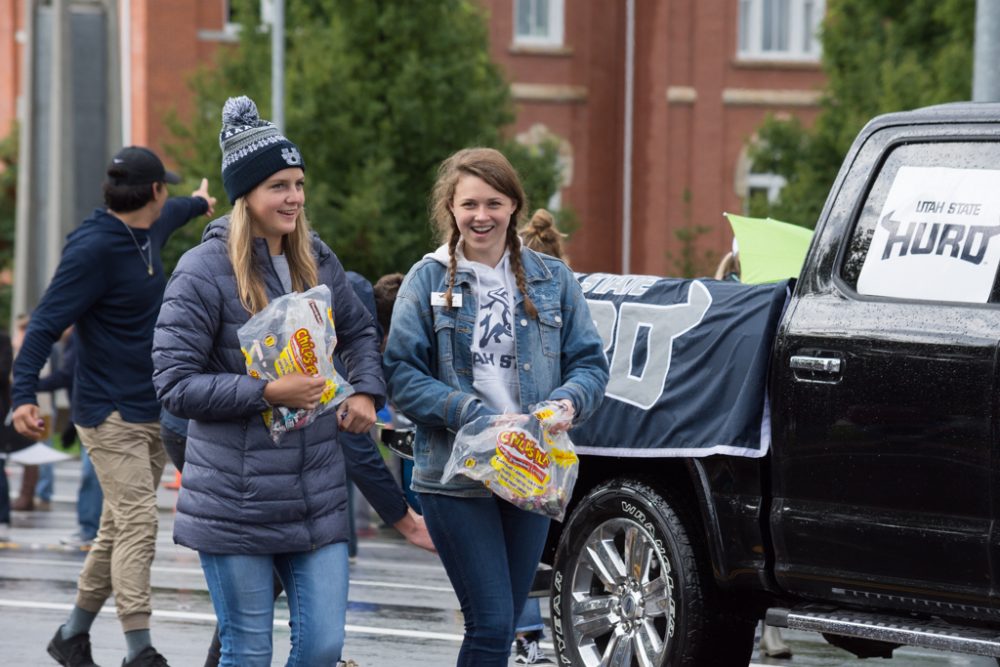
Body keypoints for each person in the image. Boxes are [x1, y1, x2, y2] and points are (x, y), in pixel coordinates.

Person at [152, 95, 424, 666]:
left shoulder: (316, 259)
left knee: (324, 645)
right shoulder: (201, 271)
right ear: (245, 194)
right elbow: (175, 385)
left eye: (298, 183)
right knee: (248, 652)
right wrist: (267, 393)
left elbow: (359, 332)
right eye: (278, 185)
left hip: (317, 495)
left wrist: (368, 391)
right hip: (234, 499)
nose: (294, 197)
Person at [382, 147, 610, 667]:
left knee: (504, 623)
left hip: (530, 469)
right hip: (453, 474)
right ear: (450, 208)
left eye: (494, 202)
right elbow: (401, 375)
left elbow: (591, 367)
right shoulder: (427, 279)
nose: (480, 216)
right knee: (488, 625)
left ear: (514, 207)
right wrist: (470, 412)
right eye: (469, 204)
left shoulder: (554, 279)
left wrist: (568, 402)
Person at [12, 145, 215, 666]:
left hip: (152, 407)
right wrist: (22, 396)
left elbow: (180, 211)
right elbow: (43, 324)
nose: (167, 195)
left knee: (116, 528)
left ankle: (71, 635)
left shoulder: (151, 226)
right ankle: (139, 649)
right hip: (108, 413)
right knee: (138, 523)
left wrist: (199, 202)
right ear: (152, 191)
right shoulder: (92, 249)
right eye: (166, 187)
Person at [508, 207, 569, 665]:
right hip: (555, 443)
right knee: (529, 553)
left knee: (514, 555)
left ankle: (527, 638)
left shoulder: (556, 288)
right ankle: (529, 636)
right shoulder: (573, 288)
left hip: (514, 440)